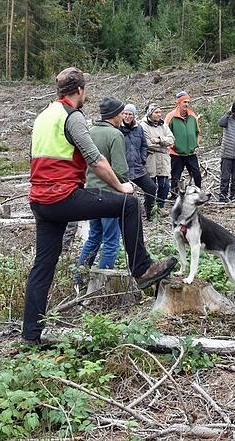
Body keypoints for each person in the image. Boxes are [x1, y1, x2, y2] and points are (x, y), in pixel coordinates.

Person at [25, 67, 177, 346]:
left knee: (43, 266)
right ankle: (142, 269)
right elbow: (94, 158)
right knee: (128, 205)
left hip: (40, 200)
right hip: (63, 197)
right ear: (80, 90)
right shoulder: (72, 117)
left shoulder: (43, 116)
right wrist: (121, 186)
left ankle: (30, 334)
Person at [74, 97, 129, 286]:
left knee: (93, 237)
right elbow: (120, 169)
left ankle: (79, 278)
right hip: (109, 195)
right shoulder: (115, 135)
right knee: (112, 241)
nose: (123, 116)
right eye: (121, 113)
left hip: (90, 193)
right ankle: (102, 285)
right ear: (114, 115)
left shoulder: (90, 132)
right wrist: (124, 186)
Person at [120, 105, 158, 220]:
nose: (127, 116)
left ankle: (150, 213)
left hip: (137, 167)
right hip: (123, 168)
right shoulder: (117, 128)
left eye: (130, 114)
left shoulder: (139, 128)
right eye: (125, 114)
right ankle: (123, 216)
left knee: (151, 188)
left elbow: (144, 145)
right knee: (124, 193)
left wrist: (142, 158)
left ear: (134, 115)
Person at [140, 104, 174, 217]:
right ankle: (149, 208)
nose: (159, 115)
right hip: (150, 158)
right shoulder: (143, 125)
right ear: (150, 113)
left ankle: (160, 207)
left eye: (160, 112)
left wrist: (160, 140)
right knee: (150, 185)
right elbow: (148, 144)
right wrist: (165, 146)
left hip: (163, 160)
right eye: (156, 112)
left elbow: (172, 139)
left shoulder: (163, 124)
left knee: (165, 185)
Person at [166, 91, 201, 196]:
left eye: (188, 102)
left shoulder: (192, 115)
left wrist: (196, 144)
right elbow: (165, 133)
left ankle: (198, 194)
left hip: (190, 153)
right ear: (178, 103)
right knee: (175, 176)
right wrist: (173, 146)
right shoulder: (171, 116)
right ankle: (174, 195)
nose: (186, 104)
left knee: (197, 174)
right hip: (176, 154)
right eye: (184, 102)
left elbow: (198, 132)